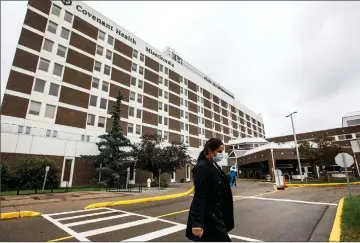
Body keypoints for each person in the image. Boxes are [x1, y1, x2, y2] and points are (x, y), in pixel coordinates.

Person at [186, 138, 234, 242]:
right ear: (209, 151)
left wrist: (227, 178)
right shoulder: (203, 168)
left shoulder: (213, 164)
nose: (221, 154)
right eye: (219, 152)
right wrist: (197, 223)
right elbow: (199, 196)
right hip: (210, 216)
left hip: (216, 213)